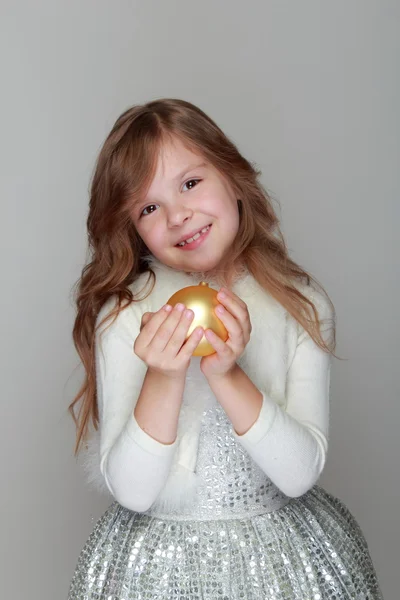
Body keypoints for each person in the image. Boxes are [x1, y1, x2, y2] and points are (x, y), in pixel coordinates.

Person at [68, 98, 382, 599]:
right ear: (133, 229)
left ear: (233, 177)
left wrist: (227, 373)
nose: (178, 216)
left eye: (190, 183)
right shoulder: (127, 317)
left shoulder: (298, 304)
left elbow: (298, 475)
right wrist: (164, 376)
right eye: (149, 208)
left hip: (280, 567)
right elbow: (134, 492)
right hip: (158, 574)